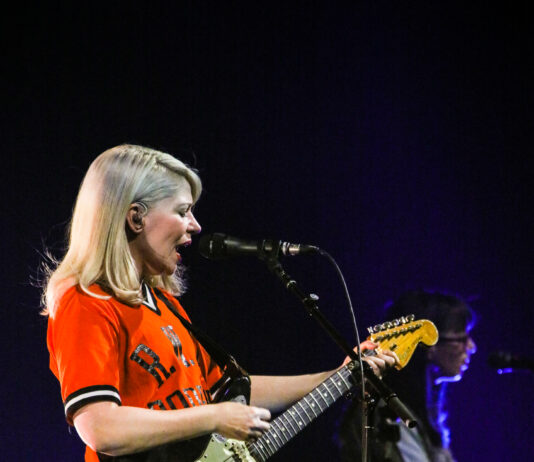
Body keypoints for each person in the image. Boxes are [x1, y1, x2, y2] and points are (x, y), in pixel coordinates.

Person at [43, 144, 398, 462]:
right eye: (182, 211)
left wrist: (339, 376)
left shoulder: (165, 305)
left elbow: (232, 390)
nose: (195, 226)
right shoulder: (86, 301)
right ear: (135, 217)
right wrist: (214, 417)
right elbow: (101, 427)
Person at [337, 290, 476, 462]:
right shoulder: (390, 413)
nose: (471, 346)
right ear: (430, 344)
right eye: (461, 338)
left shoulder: (427, 409)